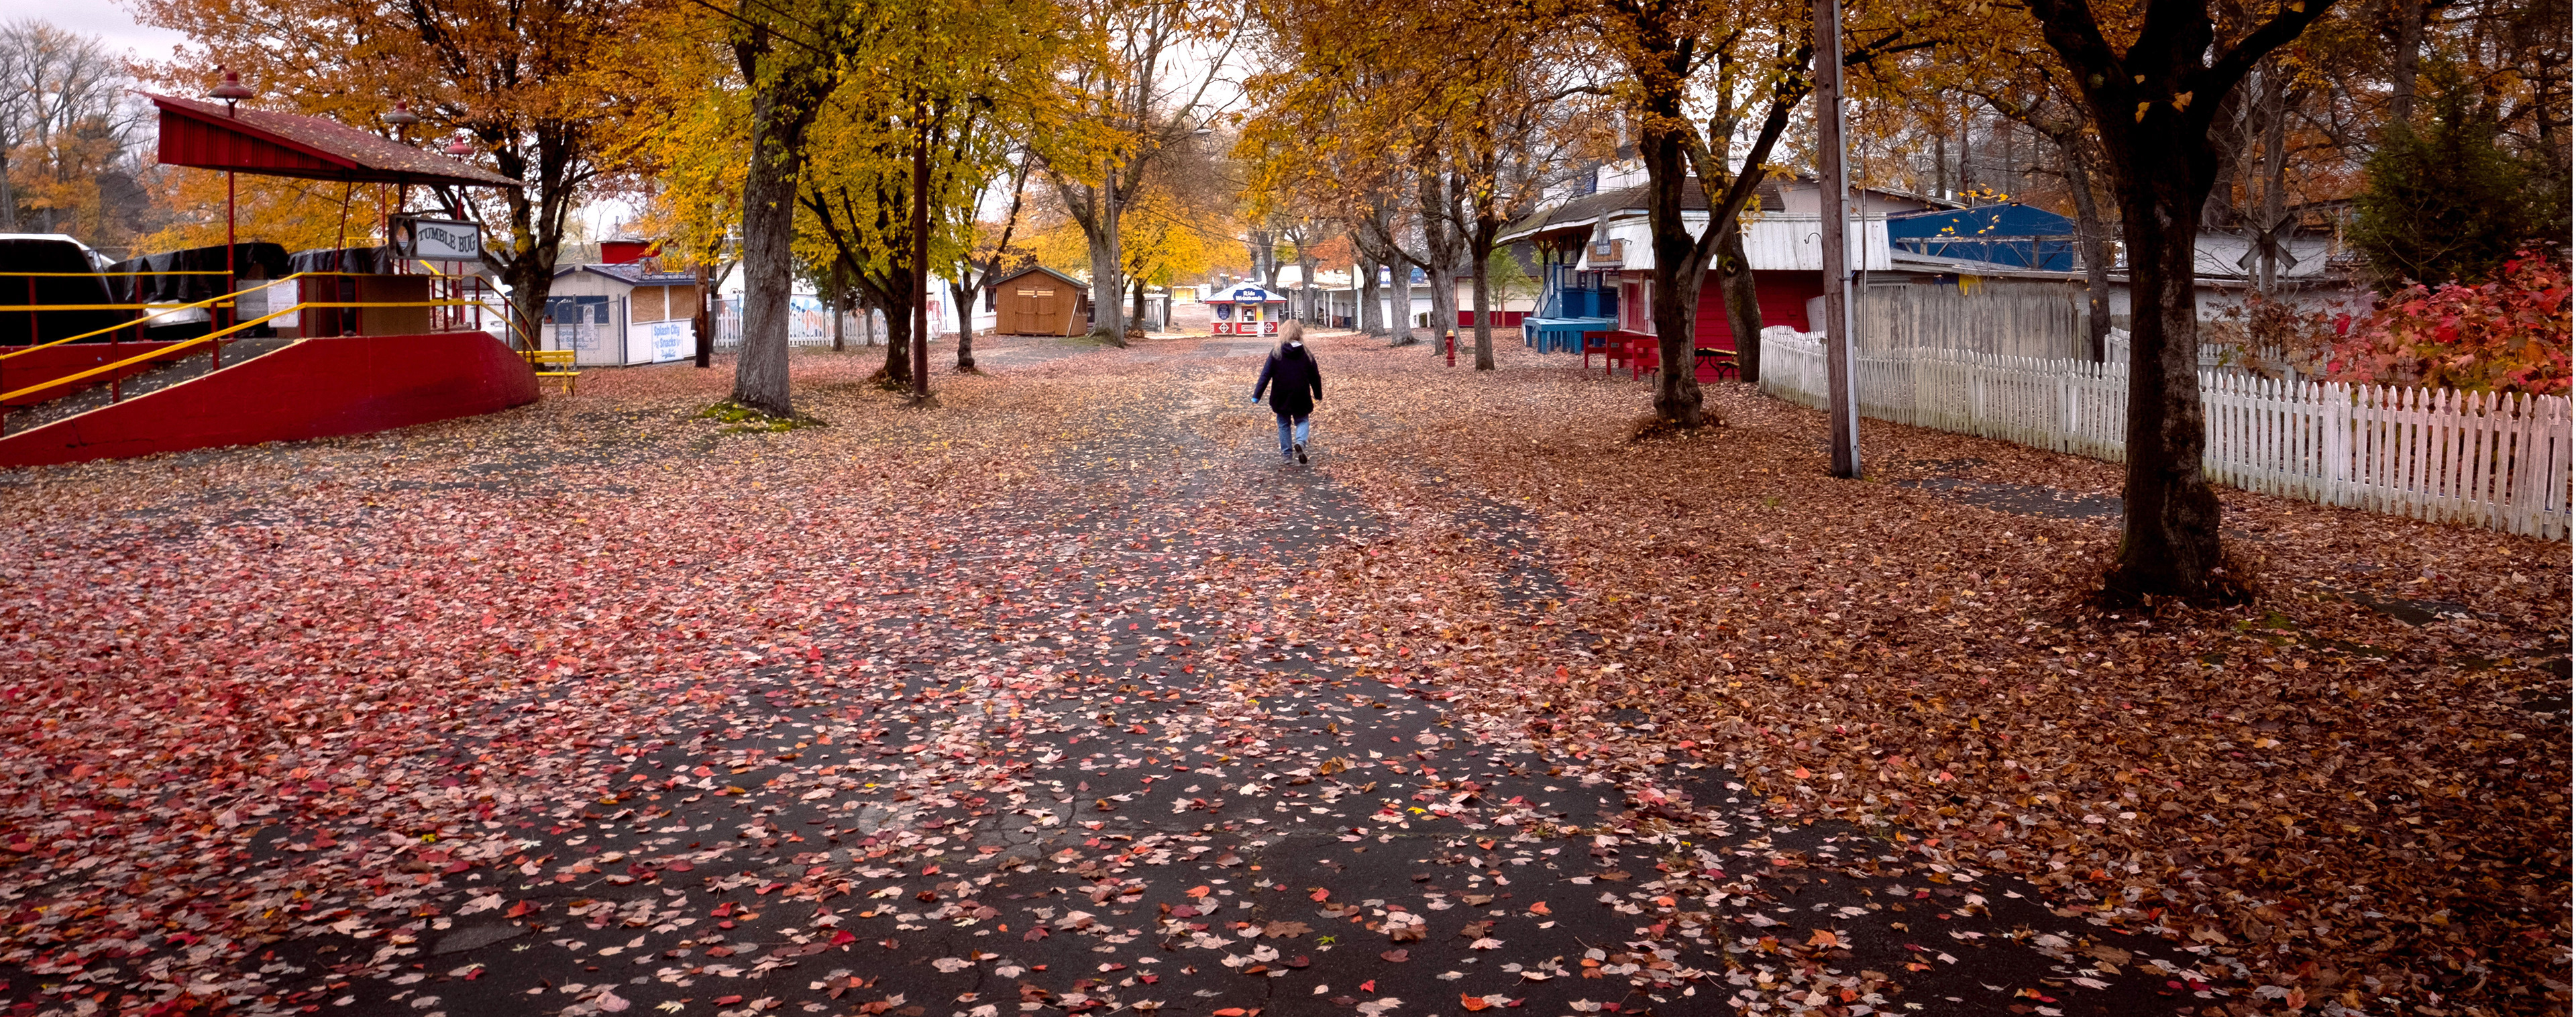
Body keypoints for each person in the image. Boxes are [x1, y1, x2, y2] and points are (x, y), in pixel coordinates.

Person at [1252, 322, 1322, 464]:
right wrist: (1317, 394)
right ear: (1299, 334)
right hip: (1301, 395)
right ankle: (1301, 441)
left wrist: (1256, 396)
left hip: (1281, 396)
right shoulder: (1306, 354)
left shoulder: (1276, 353)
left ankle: (1287, 455)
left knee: (1283, 424)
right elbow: (1315, 376)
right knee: (1302, 420)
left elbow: (1265, 375)